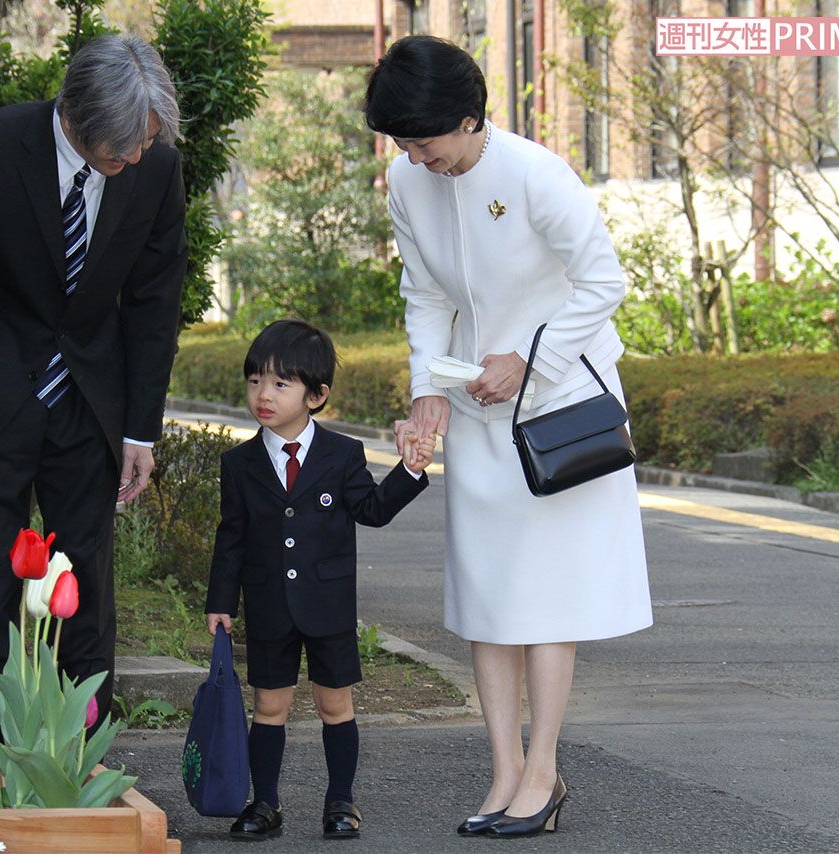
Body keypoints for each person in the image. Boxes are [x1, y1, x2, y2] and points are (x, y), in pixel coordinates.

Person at [364, 35, 653, 838]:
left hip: (558, 409)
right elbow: (424, 293)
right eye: (401, 144)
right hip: (478, 405)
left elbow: (604, 281)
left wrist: (529, 359)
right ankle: (502, 770)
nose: (414, 158)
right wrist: (428, 391)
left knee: (547, 599)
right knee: (488, 596)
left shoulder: (534, 174)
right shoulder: (407, 181)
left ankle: (543, 771)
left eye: (424, 141)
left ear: (468, 118)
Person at [0, 34, 188, 755]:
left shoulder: (157, 169)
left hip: (91, 404)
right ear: (75, 115)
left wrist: (140, 430)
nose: (136, 159)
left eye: (146, 144)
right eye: (121, 150)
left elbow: (154, 301)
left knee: (86, 596)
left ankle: (75, 763)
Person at [205, 319, 434, 841]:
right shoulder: (239, 463)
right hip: (268, 604)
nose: (263, 395)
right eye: (255, 381)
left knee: (335, 704)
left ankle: (341, 802)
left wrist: (410, 470)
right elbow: (231, 535)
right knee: (269, 706)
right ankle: (264, 803)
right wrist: (221, 600)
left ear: (317, 395)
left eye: (280, 384)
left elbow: (373, 509)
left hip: (328, 605)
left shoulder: (342, 454)